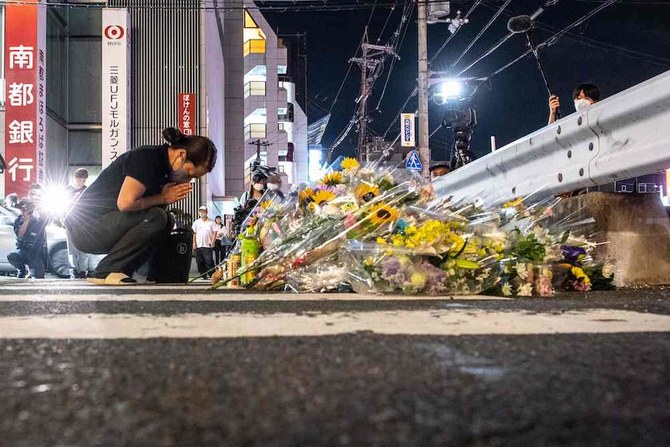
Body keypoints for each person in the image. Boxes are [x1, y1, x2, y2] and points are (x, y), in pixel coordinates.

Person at [65, 127, 217, 285]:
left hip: (105, 225)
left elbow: (149, 220)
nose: (188, 180)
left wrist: (163, 200)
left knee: (166, 220)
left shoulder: (165, 172)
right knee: (157, 217)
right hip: (84, 229)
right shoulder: (148, 158)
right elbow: (125, 203)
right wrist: (162, 197)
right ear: (181, 155)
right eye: (189, 174)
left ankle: (133, 271)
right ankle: (105, 271)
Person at [8, 200, 46, 279]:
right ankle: (22, 270)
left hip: (36, 253)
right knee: (13, 256)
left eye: (24, 209)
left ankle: (33, 270)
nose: (22, 211)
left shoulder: (39, 221)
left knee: (39, 276)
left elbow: (46, 218)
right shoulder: (19, 220)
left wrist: (38, 208)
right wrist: (26, 220)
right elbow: (20, 234)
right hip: (23, 250)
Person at [65, 168, 92, 278]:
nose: (81, 182)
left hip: (84, 222)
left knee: (84, 248)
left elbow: (91, 206)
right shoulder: (68, 190)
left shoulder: (87, 190)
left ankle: (82, 271)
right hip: (71, 222)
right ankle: (74, 269)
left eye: (83, 180)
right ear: (75, 178)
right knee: (72, 249)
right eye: (79, 180)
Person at [192, 206, 217, 278]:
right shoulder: (196, 222)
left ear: (207, 212)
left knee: (209, 261)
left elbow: (215, 232)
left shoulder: (211, 222)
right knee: (199, 262)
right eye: (201, 212)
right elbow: (194, 233)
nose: (202, 213)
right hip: (198, 245)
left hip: (207, 245)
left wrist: (213, 241)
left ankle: (212, 275)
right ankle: (203, 275)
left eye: (204, 211)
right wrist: (194, 243)